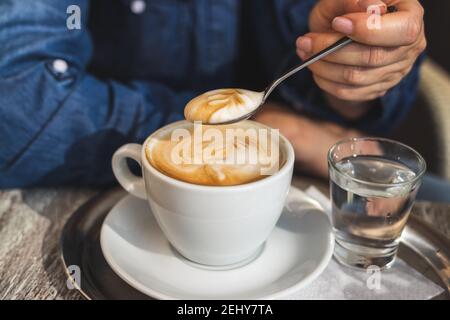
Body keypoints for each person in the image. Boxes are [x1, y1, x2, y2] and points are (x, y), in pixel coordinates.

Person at [0, 0, 440, 198]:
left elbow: (343, 67)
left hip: (302, 173)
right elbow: (17, 102)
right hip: (98, 186)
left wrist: (357, 71)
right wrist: (282, 129)